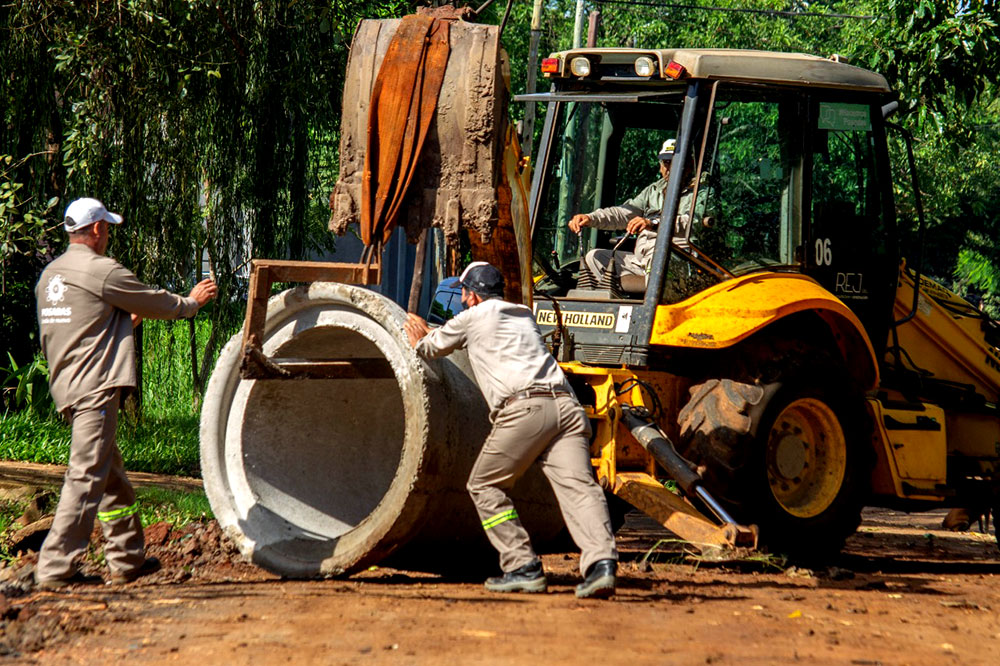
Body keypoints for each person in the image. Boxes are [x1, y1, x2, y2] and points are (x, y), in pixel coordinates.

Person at [403, 262, 619, 598]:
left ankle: (521, 565)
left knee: (484, 485)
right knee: (580, 487)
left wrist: (417, 335)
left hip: (525, 411)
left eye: (463, 293)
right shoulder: (523, 315)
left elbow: (430, 348)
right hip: (567, 407)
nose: (462, 299)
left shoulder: (473, 317)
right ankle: (602, 564)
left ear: (472, 295)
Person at [34, 197, 217, 589]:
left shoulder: (52, 275)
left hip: (68, 387)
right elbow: (150, 300)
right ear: (97, 229)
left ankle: (127, 558)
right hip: (96, 391)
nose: (108, 235)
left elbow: (90, 325)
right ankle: (55, 568)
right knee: (86, 477)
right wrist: (190, 303)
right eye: (107, 228)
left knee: (111, 478)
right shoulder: (100, 271)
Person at [568, 138, 707, 288]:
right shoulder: (653, 191)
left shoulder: (702, 192)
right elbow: (624, 213)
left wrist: (653, 223)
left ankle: (650, 308)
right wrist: (590, 218)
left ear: (690, 165)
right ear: (660, 166)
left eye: (675, 162)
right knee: (594, 258)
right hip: (641, 259)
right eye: (666, 162)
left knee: (657, 260)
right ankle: (612, 308)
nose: (670, 168)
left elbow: (694, 222)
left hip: (677, 258)